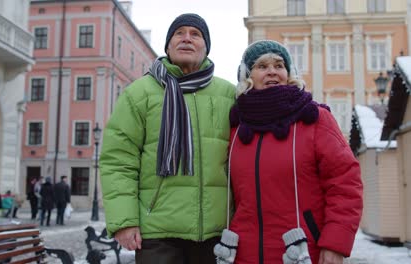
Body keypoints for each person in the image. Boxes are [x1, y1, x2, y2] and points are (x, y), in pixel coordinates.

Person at [99, 13, 236, 263]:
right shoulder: (139, 93)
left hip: (217, 231)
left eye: (195, 34)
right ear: (168, 44)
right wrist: (124, 220)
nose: (187, 39)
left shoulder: (228, 94)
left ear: (206, 47)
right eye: (179, 33)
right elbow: (118, 159)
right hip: (157, 231)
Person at [225, 40, 363, 264]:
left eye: (279, 65)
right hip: (244, 255)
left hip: (303, 252)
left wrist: (335, 244)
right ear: (247, 76)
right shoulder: (237, 126)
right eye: (262, 66)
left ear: (289, 73)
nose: (272, 71)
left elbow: (345, 183)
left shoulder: (315, 118)